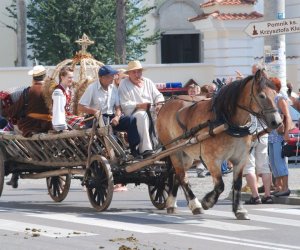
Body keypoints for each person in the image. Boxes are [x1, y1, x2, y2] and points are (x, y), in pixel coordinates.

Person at [3, 65, 53, 188]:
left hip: (31, 126)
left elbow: (14, 110)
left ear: (33, 78)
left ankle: (17, 166)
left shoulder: (28, 91)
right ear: (44, 76)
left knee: (13, 133)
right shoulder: (52, 90)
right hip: (50, 125)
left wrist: (5, 112)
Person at [78, 65, 140, 157]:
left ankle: (134, 150)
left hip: (110, 118)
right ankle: (117, 152)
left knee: (131, 120)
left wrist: (117, 117)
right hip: (94, 118)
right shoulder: (92, 88)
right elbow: (80, 107)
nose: (112, 78)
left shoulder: (113, 89)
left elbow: (118, 107)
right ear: (102, 77)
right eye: (110, 76)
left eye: (113, 76)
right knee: (106, 124)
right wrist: (95, 111)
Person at [118, 60, 165, 158]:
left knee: (166, 116)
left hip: (152, 111)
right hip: (135, 114)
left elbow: (158, 95)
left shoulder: (148, 82)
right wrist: (139, 105)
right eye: (134, 72)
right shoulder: (124, 84)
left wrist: (159, 104)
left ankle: (163, 147)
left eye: (139, 71)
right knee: (142, 115)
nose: (137, 74)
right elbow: (124, 104)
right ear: (129, 74)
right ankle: (145, 149)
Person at [268, 77, 293, 197]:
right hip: (271, 135)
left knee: (279, 161)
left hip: (279, 135)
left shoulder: (279, 98)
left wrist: (287, 132)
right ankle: (278, 186)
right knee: (273, 162)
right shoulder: (271, 99)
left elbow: (287, 116)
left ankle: (285, 187)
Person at [52, 66, 85, 131]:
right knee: (85, 123)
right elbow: (58, 110)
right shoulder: (58, 92)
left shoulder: (68, 90)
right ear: (62, 77)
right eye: (69, 77)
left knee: (87, 120)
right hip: (63, 121)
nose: (72, 80)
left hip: (68, 118)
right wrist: (61, 127)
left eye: (72, 77)